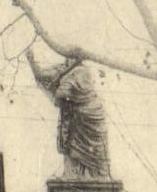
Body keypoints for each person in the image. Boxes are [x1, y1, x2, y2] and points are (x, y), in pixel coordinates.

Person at [29, 51, 112, 181]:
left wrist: (59, 87)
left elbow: (61, 93)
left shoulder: (81, 71)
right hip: (76, 116)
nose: (68, 60)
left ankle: (92, 176)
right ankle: (75, 175)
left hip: (89, 115)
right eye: (67, 57)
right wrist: (31, 61)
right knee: (73, 147)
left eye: (71, 57)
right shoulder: (64, 69)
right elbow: (42, 75)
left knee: (89, 152)